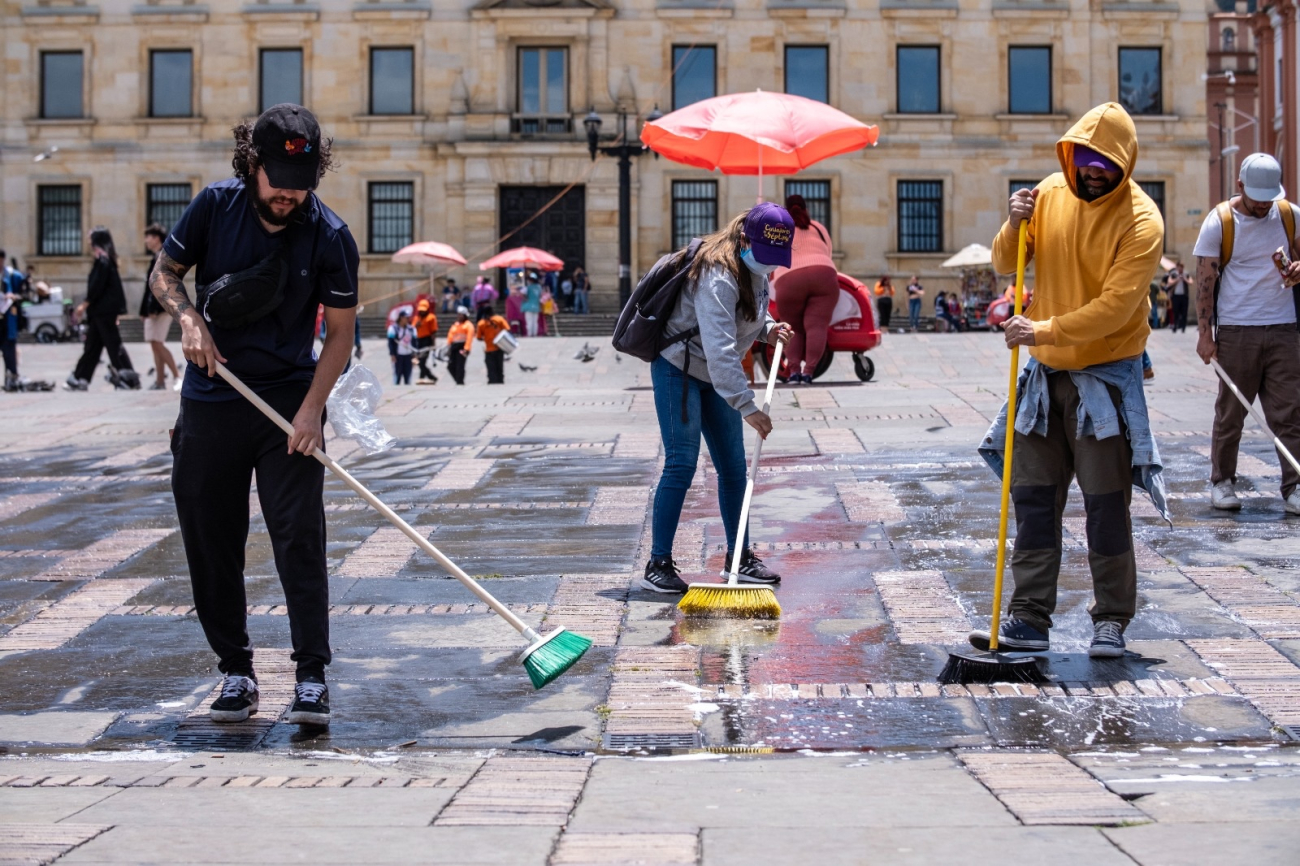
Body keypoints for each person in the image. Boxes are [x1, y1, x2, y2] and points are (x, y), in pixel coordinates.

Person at [147, 103, 359, 726]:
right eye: (277, 182)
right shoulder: (215, 207)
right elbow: (166, 273)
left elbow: (341, 335)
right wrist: (188, 318)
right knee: (212, 540)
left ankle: (311, 677)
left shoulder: (329, 234)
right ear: (250, 165)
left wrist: (313, 410)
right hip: (213, 398)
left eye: (301, 184)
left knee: (299, 538)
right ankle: (236, 671)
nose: (289, 195)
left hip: (288, 405)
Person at [970, 102, 1168, 660]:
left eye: (1105, 161)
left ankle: (1111, 619)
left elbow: (1115, 308)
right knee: (1033, 500)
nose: (1092, 169)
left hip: (1102, 380)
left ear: (1123, 162)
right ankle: (1029, 617)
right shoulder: (1049, 194)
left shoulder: (1142, 220)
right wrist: (1013, 223)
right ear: (1071, 154)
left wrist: (1042, 329)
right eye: (1084, 158)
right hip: (1046, 374)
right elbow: (1007, 261)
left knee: (1105, 505)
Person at [639, 203, 794, 594]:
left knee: (733, 468)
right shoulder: (716, 274)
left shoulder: (755, 272)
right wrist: (748, 407)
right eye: (765, 256)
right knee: (681, 463)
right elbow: (723, 347)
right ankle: (658, 563)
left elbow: (748, 317)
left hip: (715, 374)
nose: (769, 266)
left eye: (776, 260)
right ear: (745, 240)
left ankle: (739, 558)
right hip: (679, 370)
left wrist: (770, 329)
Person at [1193, 152, 1300, 513]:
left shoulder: (1288, 215)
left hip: (1284, 328)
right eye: (1256, 199)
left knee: (1290, 412)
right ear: (1240, 186)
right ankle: (1222, 481)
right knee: (1231, 412)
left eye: (1268, 198)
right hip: (1238, 330)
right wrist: (1204, 335)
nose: (1262, 205)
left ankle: (1295, 485)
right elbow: (1205, 282)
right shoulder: (1220, 222)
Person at [772, 193, 838, 384]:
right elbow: (828, 252)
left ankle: (793, 373)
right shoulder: (818, 227)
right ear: (805, 209)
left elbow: (772, 255)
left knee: (792, 327)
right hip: (823, 273)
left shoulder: (780, 228)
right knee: (816, 325)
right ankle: (808, 373)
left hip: (789, 277)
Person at [67, 227, 139, 391]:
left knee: (113, 344)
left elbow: (97, 286)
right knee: (93, 346)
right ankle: (80, 378)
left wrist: (84, 304)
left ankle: (127, 377)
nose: (88, 241)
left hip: (103, 311)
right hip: (100, 311)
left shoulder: (104, 261)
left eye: (90, 238)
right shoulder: (105, 260)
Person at [139, 223, 181, 390]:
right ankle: (160, 380)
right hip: (154, 309)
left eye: (148, 237)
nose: (145, 241)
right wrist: (144, 311)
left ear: (156, 238)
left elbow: (162, 285)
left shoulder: (162, 257)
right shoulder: (155, 257)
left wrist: (154, 309)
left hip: (160, 308)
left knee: (157, 342)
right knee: (154, 342)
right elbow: (148, 287)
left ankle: (177, 376)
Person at [476, 305, 511, 384]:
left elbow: (478, 337)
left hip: (489, 349)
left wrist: (486, 338)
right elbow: (507, 329)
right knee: (499, 367)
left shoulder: (481, 323)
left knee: (491, 368)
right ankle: (500, 381)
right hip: (500, 347)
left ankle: (492, 382)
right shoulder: (499, 319)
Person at [412, 298, 439, 384]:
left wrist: (433, 345)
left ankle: (428, 377)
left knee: (422, 361)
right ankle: (425, 377)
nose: (422, 312)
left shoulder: (431, 318)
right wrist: (416, 325)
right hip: (418, 341)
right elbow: (412, 328)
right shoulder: (416, 318)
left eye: (424, 310)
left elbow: (433, 332)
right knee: (419, 361)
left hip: (427, 341)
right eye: (421, 310)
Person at [446, 306, 474, 385]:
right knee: (450, 366)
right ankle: (457, 379)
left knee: (460, 365)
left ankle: (460, 381)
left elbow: (469, 338)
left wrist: (466, 348)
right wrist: (448, 346)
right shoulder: (455, 324)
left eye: (461, 315)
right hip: (454, 347)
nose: (459, 316)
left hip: (462, 347)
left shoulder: (468, 325)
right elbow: (450, 335)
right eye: (458, 314)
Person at [387, 310, 416, 385]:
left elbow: (415, 342)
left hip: (408, 355)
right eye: (406, 318)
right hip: (398, 355)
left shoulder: (411, 329)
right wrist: (392, 354)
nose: (407, 319)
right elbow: (391, 343)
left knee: (408, 376)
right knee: (397, 376)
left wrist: (415, 355)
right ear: (401, 318)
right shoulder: (393, 329)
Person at [1165, 260, 1192, 333]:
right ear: (1177, 267)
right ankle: (1175, 325)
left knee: (1184, 312)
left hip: (1184, 296)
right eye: (1179, 267)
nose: (1180, 269)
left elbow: (1190, 282)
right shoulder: (1173, 274)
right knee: (1175, 311)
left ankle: (1183, 327)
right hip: (1175, 296)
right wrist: (1177, 279)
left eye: (1182, 267)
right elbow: (1169, 282)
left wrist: (1184, 279)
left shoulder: (1186, 274)